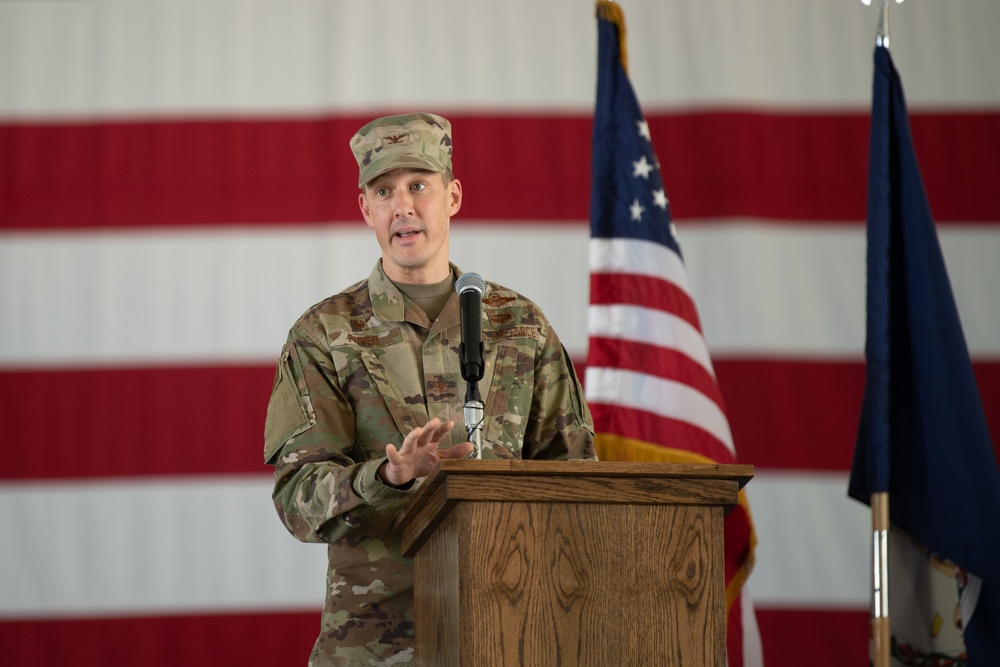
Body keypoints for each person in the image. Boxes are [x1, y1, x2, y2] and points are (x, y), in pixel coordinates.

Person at [263, 112, 596, 666]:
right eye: (385, 191)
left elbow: (578, 479)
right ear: (365, 208)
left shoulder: (521, 325)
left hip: (512, 636)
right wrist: (390, 476)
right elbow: (298, 499)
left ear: (453, 196)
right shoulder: (324, 334)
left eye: (419, 185)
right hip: (377, 648)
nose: (404, 207)